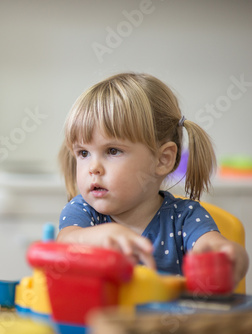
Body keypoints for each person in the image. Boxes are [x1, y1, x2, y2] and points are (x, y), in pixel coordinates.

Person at [57, 72, 248, 286]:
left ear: (162, 159)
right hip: (103, 320)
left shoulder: (185, 218)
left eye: (112, 151)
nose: (93, 168)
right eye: (83, 153)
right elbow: (65, 243)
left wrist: (227, 257)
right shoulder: (83, 212)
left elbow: (214, 248)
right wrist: (102, 236)